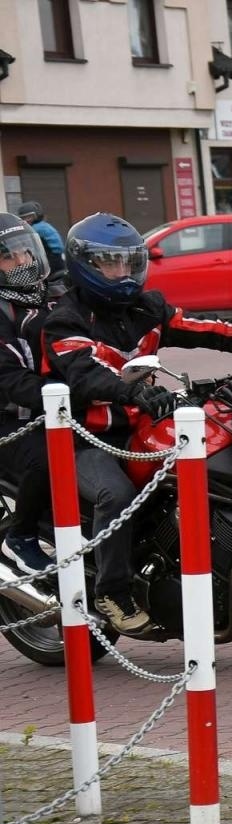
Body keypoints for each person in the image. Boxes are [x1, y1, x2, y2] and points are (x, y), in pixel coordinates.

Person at [40, 213, 232, 633]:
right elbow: (85, 372)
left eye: (130, 262)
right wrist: (133, 392)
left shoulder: (146, 307)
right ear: (85, 265)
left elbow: (205, 328)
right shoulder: (65, 319)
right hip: (87, 437)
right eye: (111, 263)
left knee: (228, 450)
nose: (123, 272)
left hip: (143, 425)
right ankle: (113, 592)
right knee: (116, 494)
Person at [0, 214, 54, 574]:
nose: (22, 262)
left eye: (25, 253)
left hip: (47, 409)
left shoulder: (46, 298)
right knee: (48, 455)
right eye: (8, 256)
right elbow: (12, 380)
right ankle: (20, 536)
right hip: (9, 422)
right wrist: (68, 396)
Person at [16, 201, 66, 297]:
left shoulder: (36, 229)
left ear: (37, 216)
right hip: (57, 260)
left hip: (51, 261)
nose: (27, 221)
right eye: (23, 218)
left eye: (29, 217)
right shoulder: (44, 225)